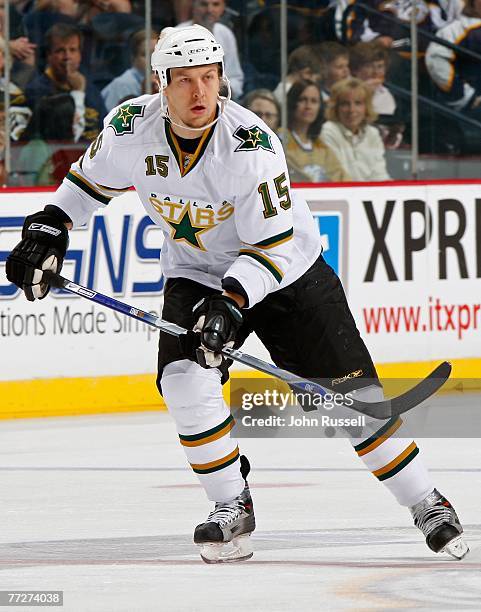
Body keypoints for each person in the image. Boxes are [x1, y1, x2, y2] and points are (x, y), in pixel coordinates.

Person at [6, 24, 468, 564]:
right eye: (184, 81)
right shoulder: (132, 124)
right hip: (197, 271)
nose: (199, 94)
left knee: (353, 400)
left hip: (285, 272)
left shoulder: (250, 143)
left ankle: (426, 501)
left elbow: (269, 249)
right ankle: (231, 505)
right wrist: (49, 227)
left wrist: (230, 305)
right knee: (183, 381)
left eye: (209, 78)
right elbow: (87, 186)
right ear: (161, 83)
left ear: (222, 77)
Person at [25, 23, 107, 142]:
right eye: (60, 51)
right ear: (49, 55)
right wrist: (78, 91)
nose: (67, 57)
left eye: (73, 50)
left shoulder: (91, 90)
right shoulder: (36, 91)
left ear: (80, 55)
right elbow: (66, 136)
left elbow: (105, 129)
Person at [279, 80, 350, 182]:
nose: (308, 106)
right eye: (302, 100)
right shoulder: (280, 139)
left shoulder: (320, 144)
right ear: (292, 103)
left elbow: (340, 175)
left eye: (314, 101)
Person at [321, 77, 390, 181]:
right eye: (345, 104)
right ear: (335, 108)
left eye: (358, 103)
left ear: (366, 107)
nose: (352, 110)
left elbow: (380, 175)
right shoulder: (328, 131)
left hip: (369, 195)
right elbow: (337, 176)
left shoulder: (373, 134)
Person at [177, 0, 244, 99]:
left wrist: (222, 90)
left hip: (221, 99)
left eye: (215, 4)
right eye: (204, 4)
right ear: (193, 6)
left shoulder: (225, 33)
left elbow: (234, 77)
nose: (209, 10)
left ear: (222, 8)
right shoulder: (177, 34)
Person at [101, 29, 158, 111]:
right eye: (145, 54)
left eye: (156, 53)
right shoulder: (122, 85)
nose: (152, 60)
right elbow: (116, 121)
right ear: (133, 58)